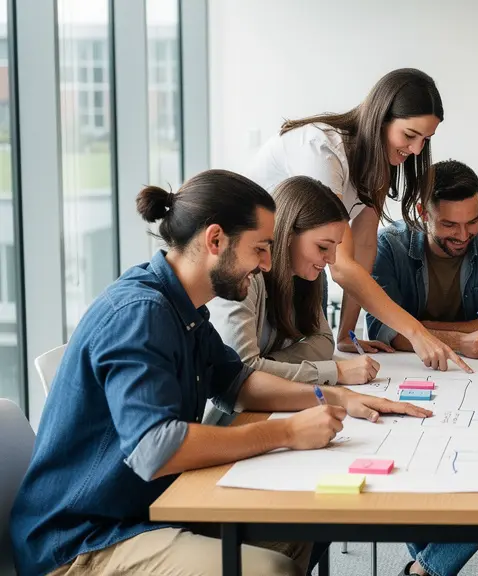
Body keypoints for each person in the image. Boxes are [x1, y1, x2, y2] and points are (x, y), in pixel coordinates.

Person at [9, 170, 431, 576]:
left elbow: (238, 383)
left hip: (143, 509)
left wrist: (336, 397)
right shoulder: (141, 314)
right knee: (272, 569)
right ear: (215, 240)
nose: (267, 264)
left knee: (303, 527)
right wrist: (284, 433)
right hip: (83, 543)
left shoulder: (182, 306)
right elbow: (155, 446)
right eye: (260, 248)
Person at [246, 68, 470, 373]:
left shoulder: (379, 163)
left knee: (312, 354)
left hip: (297, 264)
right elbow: (339, 263)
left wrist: (347, 335)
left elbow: (363, 248)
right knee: (263, 364)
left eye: (426, 140)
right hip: (255, 265)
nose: (416, 150)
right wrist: (417, 332)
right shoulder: (322, 151)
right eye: (409, 135)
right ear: (381, 118)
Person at [209, 175, 380, 389]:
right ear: (289, 235)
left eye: (336, 246)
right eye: (323, 247)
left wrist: (269, 365)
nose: (332, 260)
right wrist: (333, 372)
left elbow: (324, 341)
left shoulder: (304, 275)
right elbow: (242, 371)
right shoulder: (244, 276)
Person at [367, 159, 478, 359]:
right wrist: (458, 341)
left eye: (472, 221)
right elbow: (382, 330)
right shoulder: (389, 245)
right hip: (412, 365)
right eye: (449, 224)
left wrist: (419, 329)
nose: (462, 235)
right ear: (422, 213)